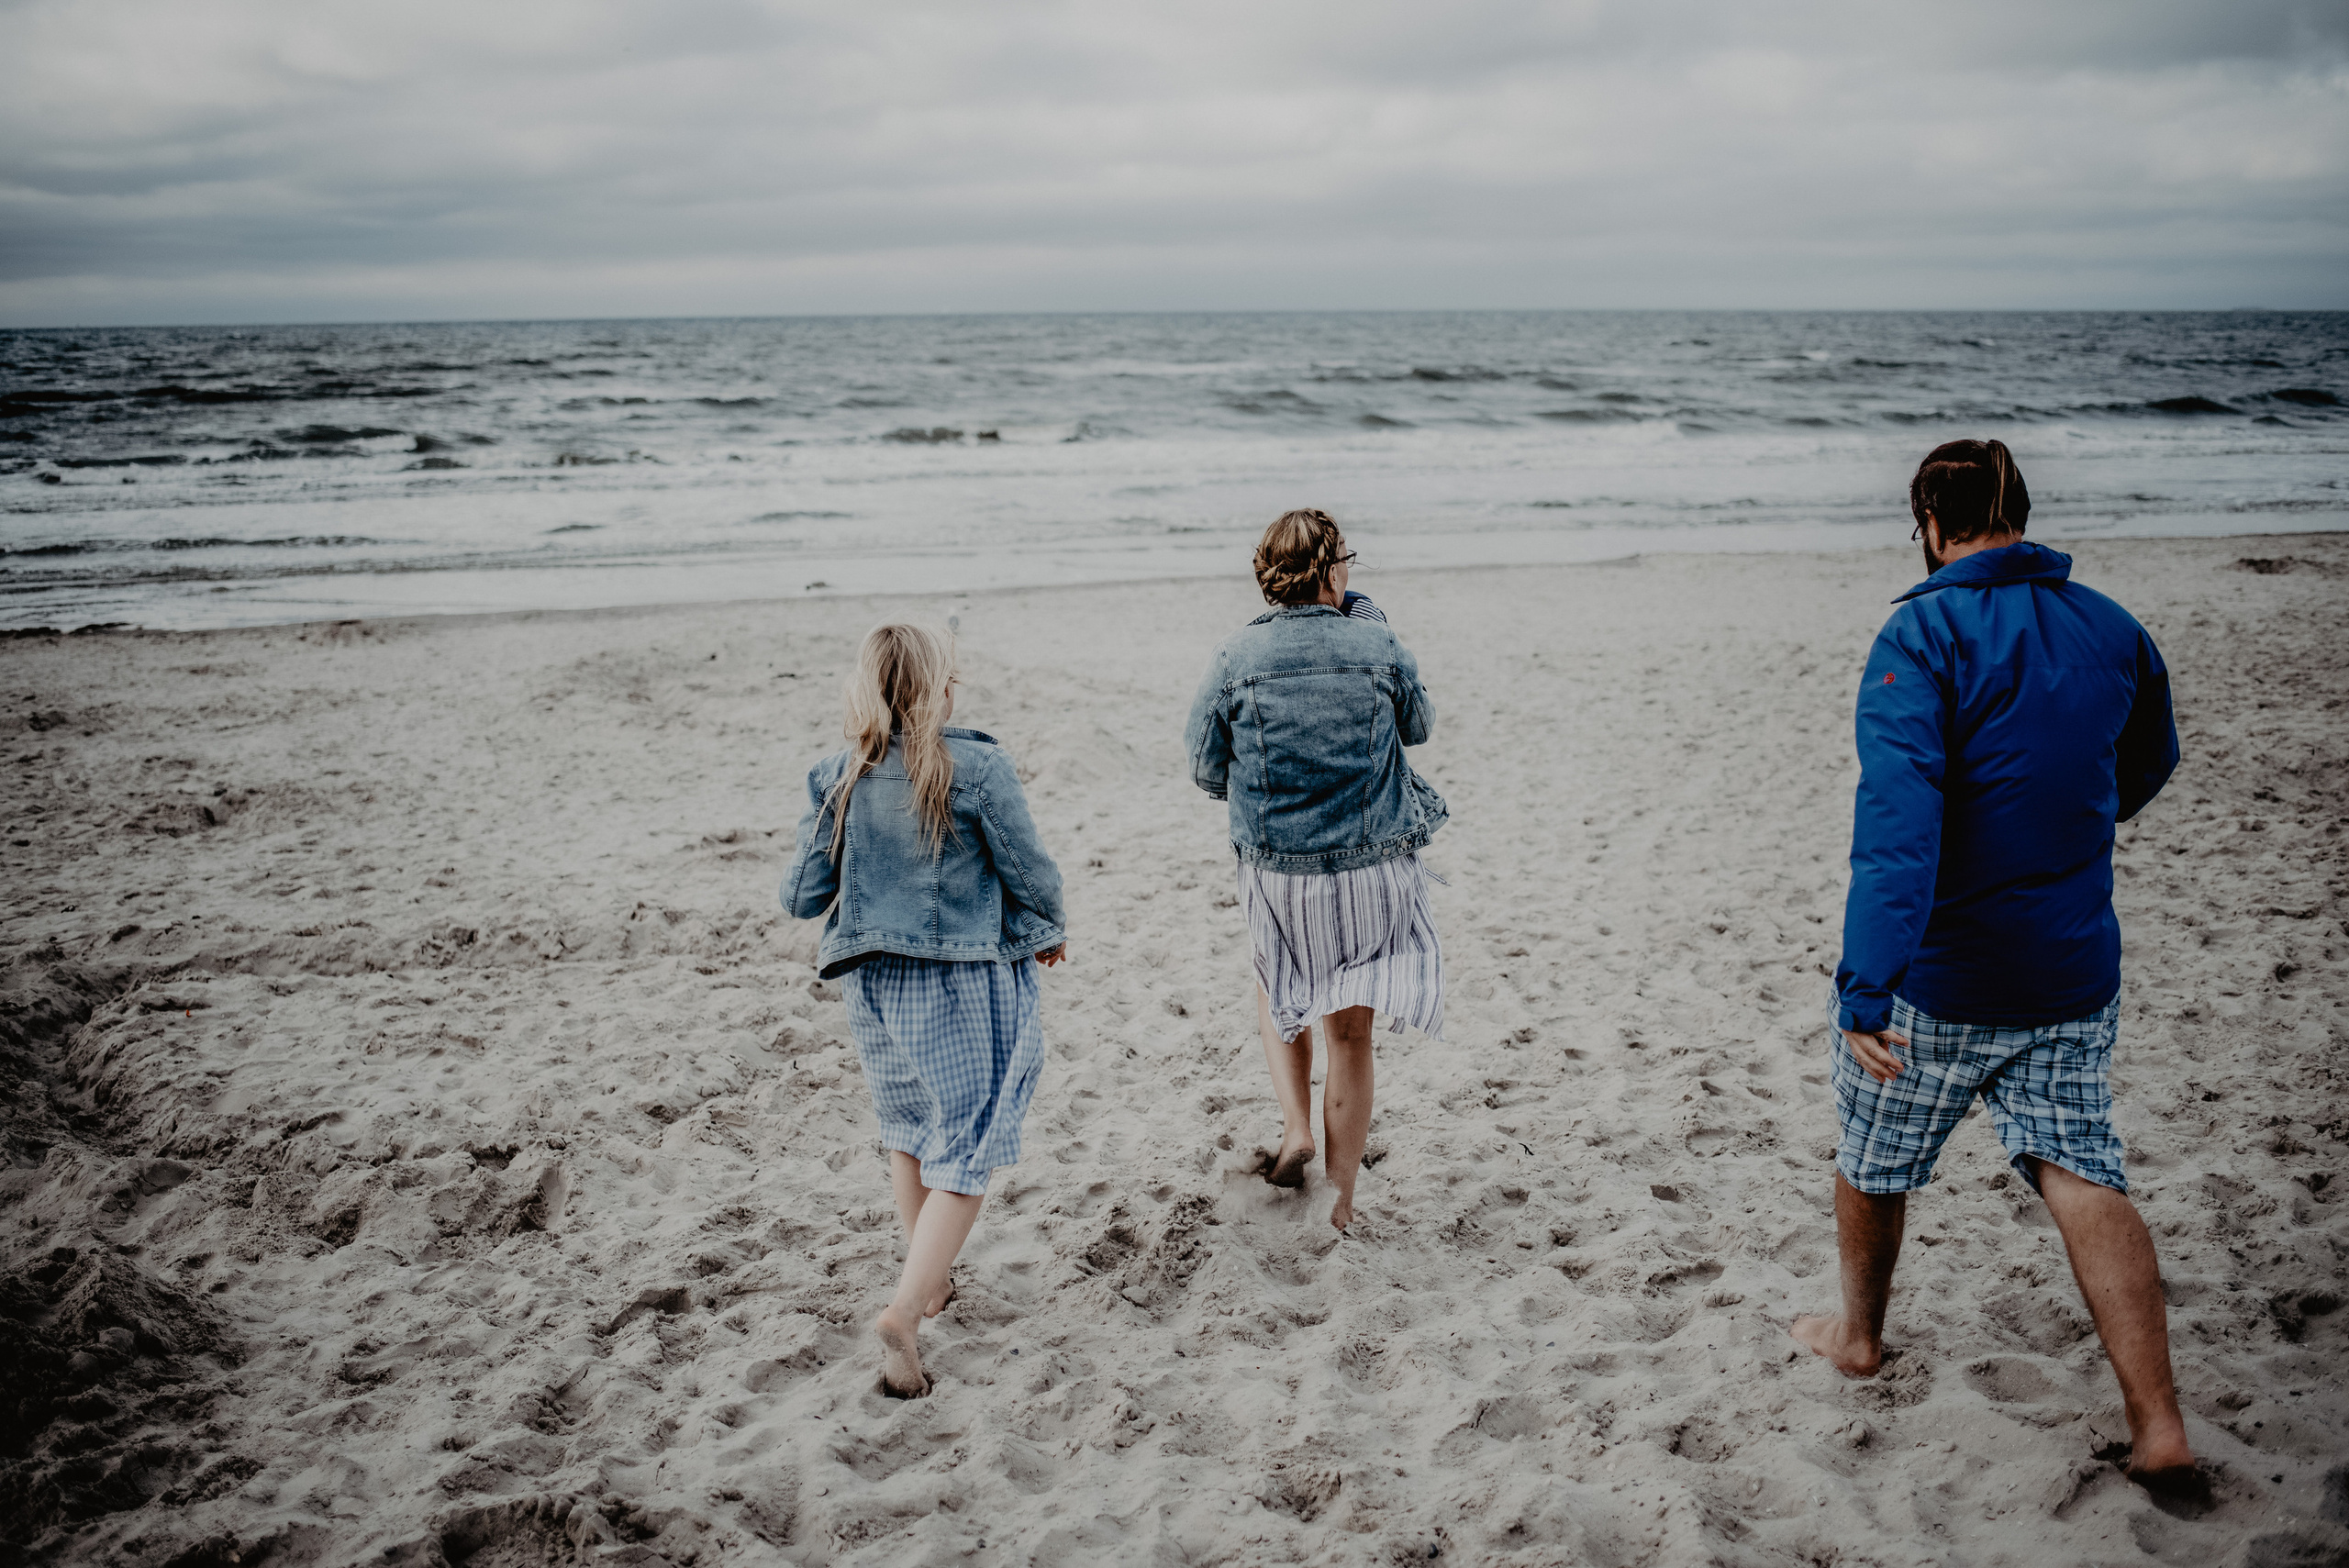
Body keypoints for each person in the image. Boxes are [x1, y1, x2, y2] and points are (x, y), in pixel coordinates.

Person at [1792, 440, 2198, 1498]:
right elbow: (2145, 761)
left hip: (1942, 978)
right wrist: (2058, 831)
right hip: (2068, 967)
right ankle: (2159, 1423)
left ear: (1931, 522)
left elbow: (1898, 826)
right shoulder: (2111, 625)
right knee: (2080, 1165)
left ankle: (1857, 1336)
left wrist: (1865, 984)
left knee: (1873, 1160)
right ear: (2017, 512)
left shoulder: (1919, 633)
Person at [782, 623, 1068, 1397]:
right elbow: (1029, 869)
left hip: (872, 985)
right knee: (968, 1143)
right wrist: (1049, 928)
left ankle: (930, 1280)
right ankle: (905, 1309)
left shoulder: (838, 774)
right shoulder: (977, 767)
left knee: (909, 1127)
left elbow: (802, 895)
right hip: (961, 983)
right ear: (941, 690)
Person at [1184, 508, 1449, 1231]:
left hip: (1282, 871)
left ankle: (1297, 1125)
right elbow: (1419, 725)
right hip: (1374, 866)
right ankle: (1340, 1204)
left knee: (1279, 989)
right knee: (1352, 1035)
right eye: (1346, 560)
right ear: (1332, 571)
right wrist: (1373, 626)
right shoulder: (1375, 641)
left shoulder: (1236, 655)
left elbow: (1204, 766)